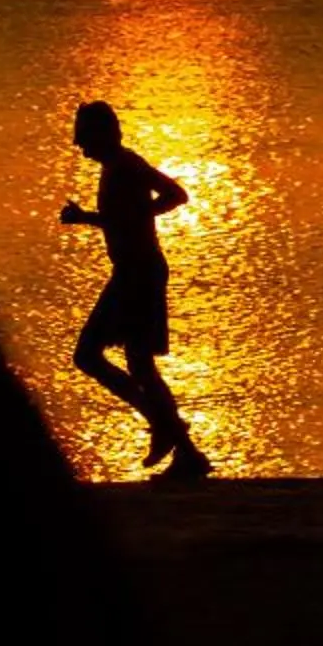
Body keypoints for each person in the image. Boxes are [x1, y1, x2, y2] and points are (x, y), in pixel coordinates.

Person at [60, 100, 211, 480]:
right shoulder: (116, 167)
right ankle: (184, 450)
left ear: (102, 133)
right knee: (134, 363)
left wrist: (88, 218)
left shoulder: (126, 165)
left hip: (139, 274)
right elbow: (127, 216)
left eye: (83, 135)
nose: (79, 144)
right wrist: (104, 218)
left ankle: (163, 426)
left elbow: (176, 195)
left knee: (90, 355)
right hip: (131, 272)